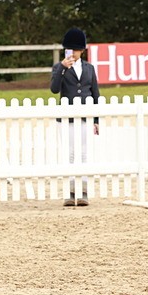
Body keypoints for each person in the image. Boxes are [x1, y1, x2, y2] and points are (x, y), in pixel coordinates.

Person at [50, 27, 101, 207]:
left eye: (76, 50)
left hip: (86, 117)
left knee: (84, 153)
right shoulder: (59, 67)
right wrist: (62, 68)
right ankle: (70, 192)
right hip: (67, 118)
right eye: (70, 49)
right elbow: (54, 89)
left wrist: (96, 120)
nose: (73, 53)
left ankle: (84, 191)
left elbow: (95, 94)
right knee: (70, 154)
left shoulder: (89, 68)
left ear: (82, 50)